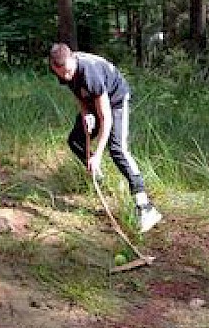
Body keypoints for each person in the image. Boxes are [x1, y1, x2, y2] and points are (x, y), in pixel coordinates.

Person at [49, 42, 162, 233]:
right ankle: (98, 178)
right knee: (75, 141)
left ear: (72, 60)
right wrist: (86, 112)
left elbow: (106, 118)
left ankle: (145, 206)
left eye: (68, 71)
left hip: (115, 101)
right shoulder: (62, 67)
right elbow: (76, 91)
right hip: (93, 101)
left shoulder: (90, 73)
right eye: (61, 74)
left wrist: (98, 155)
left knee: (117, 149)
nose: (66, 76)